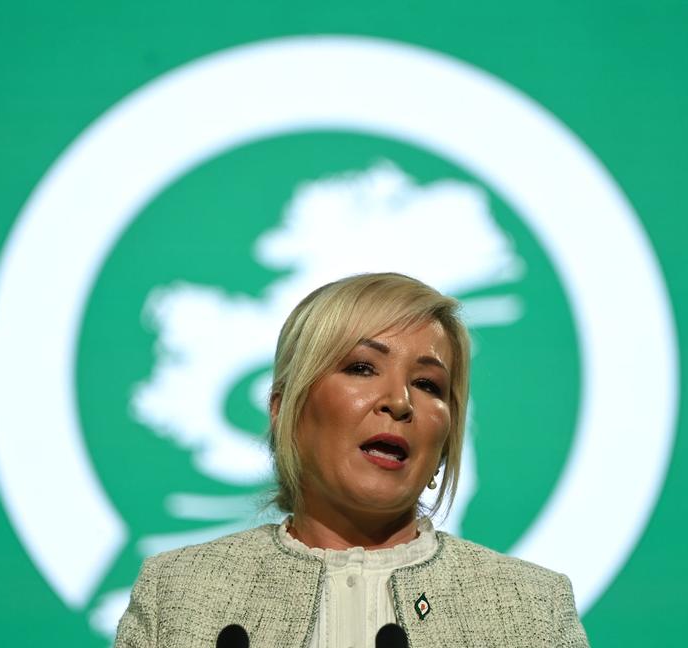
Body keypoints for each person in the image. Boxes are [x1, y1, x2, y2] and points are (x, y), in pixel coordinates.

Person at [114, 272, 589, 648]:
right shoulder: (177, 593)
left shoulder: (532, 609)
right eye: (362, 368)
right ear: (284, 410)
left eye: (427, 384)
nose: (399, 401)